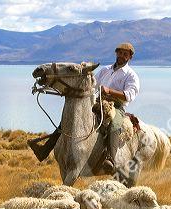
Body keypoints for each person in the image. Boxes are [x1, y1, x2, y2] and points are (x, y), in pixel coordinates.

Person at [28, 42, 140, 173]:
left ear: (130, 57)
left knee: (114, 125)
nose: (121, 56)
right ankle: (45, 149)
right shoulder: (106, 70)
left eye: (125, 54)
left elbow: (129, 95)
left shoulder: (131, 75)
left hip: (117, 106)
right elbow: (92, 85)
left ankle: (110, 158)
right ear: (116, 53)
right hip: (98, 102)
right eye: (120, 53)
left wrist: (109, 91)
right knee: (69, 120)